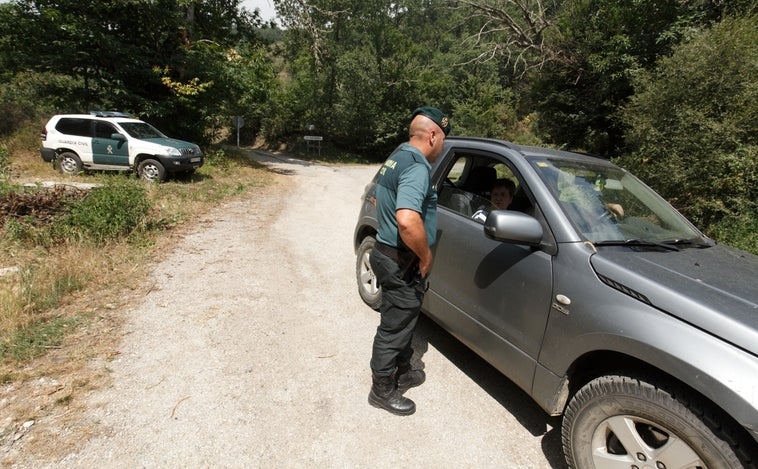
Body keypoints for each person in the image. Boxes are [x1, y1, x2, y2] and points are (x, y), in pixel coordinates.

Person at [368, 106, 450, 416]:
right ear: (432, 135)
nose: (441, 146)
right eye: (442, 139)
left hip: (385, 253)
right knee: (393, 327)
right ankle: (382, 389)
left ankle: (403, 370)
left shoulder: (396, 157)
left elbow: (377, 197)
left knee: (401, 320)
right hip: (400, 260)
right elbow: (406, 219)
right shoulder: (417, 166)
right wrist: (425, 256)